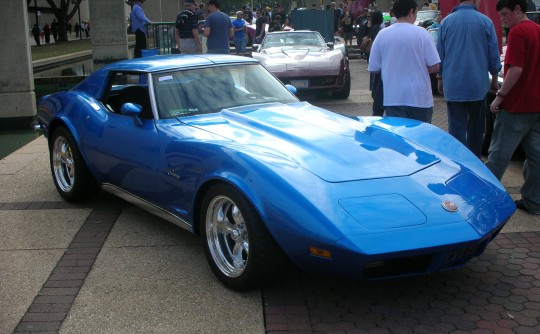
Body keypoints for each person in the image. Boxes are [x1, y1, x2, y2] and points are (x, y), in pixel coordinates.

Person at [486, 0, 540, 215]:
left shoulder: (518, 32)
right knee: (537, 157)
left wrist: (500, 96)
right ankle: (533, 201)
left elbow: (515, 70)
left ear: (518, 9)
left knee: (498, 155)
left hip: (516, 106)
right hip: (536, 106)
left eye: (505, 14)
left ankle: (485, 200)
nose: (502, 19)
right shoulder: (537, 30)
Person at [436, 0, 501, 158]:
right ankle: (474, 160)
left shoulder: (446, 22)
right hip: (477, 84)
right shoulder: (486, 22)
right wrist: (494, 78)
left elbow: (440, 55)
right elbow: (493, 54)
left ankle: (459, 161)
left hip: (453, 83)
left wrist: (440, 77)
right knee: (477, 127)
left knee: (456, 126)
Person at [367, 0, 440, 123]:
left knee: (399, 139)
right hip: (420, 98)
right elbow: (435, 65)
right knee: (420, 139)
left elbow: (374, 67)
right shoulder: (422, 33)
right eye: (416, 13)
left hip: (393, 98)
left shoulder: (382, 35)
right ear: (411, 12)